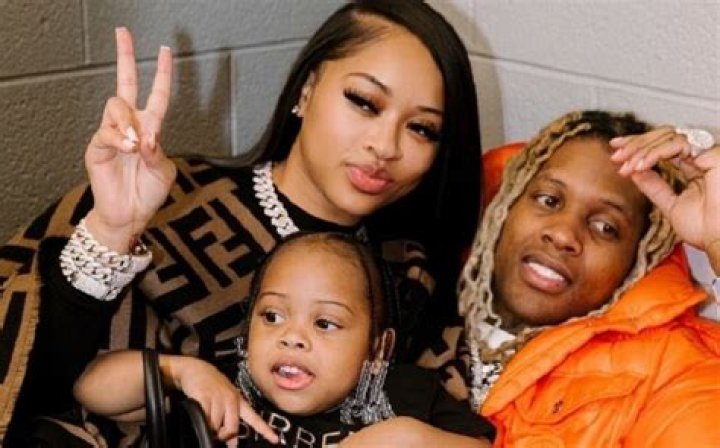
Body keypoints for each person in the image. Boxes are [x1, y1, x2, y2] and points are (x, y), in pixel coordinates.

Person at [1, 0, 482, 445]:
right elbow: (29, 387)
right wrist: (110, 231)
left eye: (421, 128)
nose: (386, 145)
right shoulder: (164, 196)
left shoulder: (405, 272)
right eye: (364, 101)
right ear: (307, 89)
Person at [441, 110, 720, 446]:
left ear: (637, 259)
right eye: (549, 200)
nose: (563, 235)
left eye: (605, 227)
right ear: (505, 205)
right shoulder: (412, 293)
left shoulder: (671, 367)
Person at [74, 232, 494, 447]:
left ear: (377, 347)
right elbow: (90, 388)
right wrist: (180, 372)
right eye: (272, 316)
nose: (292, 337)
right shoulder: (230, 386)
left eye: (325, 323)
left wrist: (414, 439)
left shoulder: (407, 392)